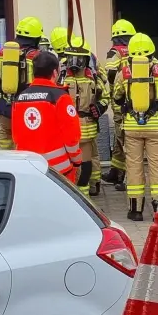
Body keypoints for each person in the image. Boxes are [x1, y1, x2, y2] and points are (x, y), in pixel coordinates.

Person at [110, 32, 158, 221]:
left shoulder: (124, 73)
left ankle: (135, 210)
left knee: (134, 166)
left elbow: (117, 98)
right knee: (157, 166)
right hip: (156, 126)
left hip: (132, 126)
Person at [10, 51, 83, 183]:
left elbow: (16, 135)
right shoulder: (60, 97)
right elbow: (71, 136)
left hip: (28, 169)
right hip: (57, 172)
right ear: (55, 72)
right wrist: (77, 161)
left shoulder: (19, 98)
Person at [61, 35, 108, 197]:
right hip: (67, 126)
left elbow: (105, 95)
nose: (75, 62)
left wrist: (99, 108)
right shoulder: (61, 75)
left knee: (85, 161)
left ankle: (84, 194)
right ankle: (79, 191)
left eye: (78, 58)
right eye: (71, 57)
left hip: (85, 124)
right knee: (75, 161)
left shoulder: (92, 75)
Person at [0, 16, 46, 150]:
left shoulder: (1, 54)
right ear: (36, 38)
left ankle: (6, 166)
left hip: (6, 107)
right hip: (29, 108)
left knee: (5, 140)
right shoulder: (38, 56)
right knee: (26, 142)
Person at [103, 19, 138, 187]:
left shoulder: (114, 52)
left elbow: (110, 71)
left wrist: (116, 84)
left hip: (120, 103)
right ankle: (115, 172)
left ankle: (124, 177)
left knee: (123, 140)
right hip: (135, 102)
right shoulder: (136, 50)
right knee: (119, 139)